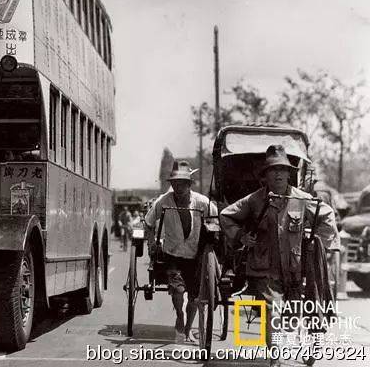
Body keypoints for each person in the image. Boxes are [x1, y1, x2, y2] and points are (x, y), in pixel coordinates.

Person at [220, 145, 339, 367]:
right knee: (273, 312)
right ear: (265, 176)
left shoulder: (303, 199)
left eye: (282, 169)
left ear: (289, 173)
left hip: (294, 268)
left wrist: (315, 243)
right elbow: (226, 216)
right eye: (273, 170)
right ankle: (275, 358)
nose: (278, 174)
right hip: (265, 269)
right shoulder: (254, 200)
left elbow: (328, 217)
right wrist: (242, 237)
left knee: (293, 319)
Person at [145, 160, 215, 342]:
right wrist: (152, 243)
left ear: (189, 184)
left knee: (194, 297)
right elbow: (149, 223)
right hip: (172, 254)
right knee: (177, 291)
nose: (178, 186)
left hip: (195, 255)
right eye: (175, 183)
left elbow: (215, 222)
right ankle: (179, 316)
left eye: (182, 182)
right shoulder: (163, 201)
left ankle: (188, 328)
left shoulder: (203, 202)